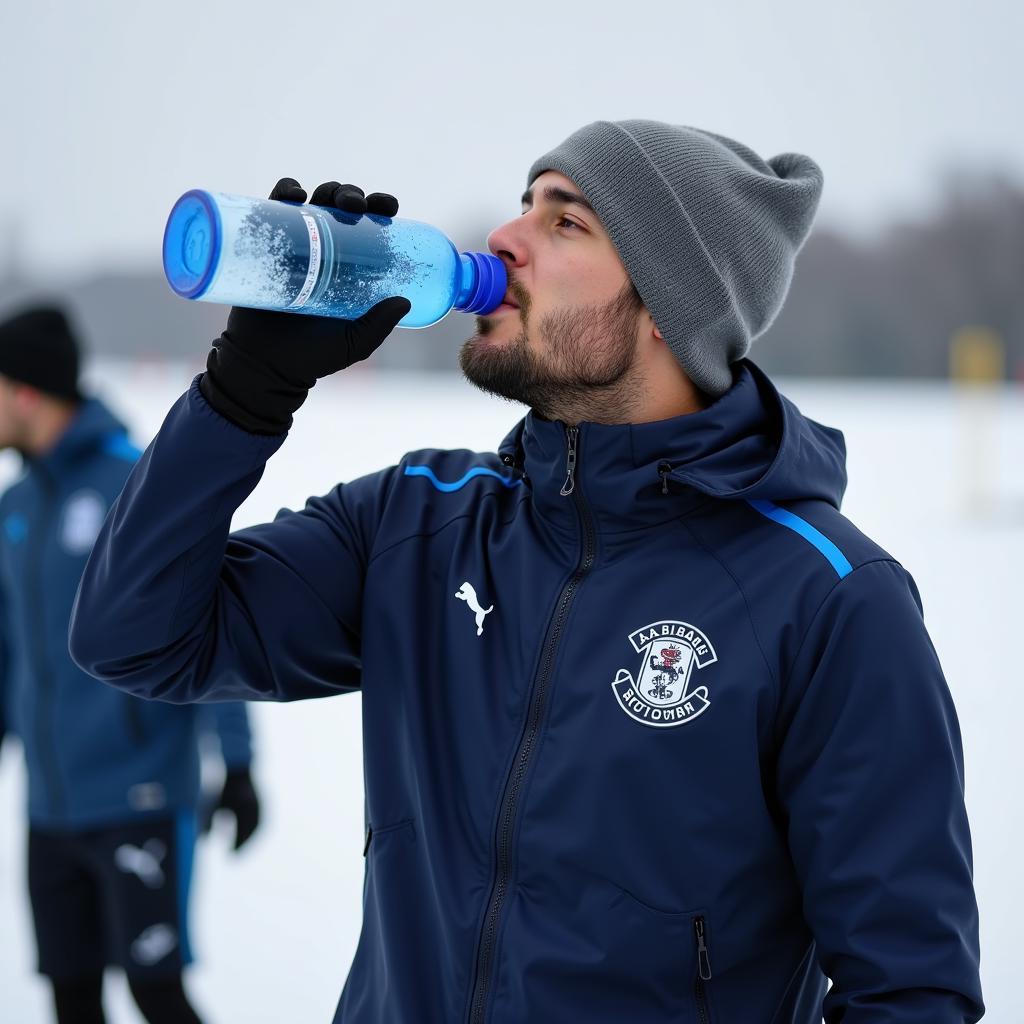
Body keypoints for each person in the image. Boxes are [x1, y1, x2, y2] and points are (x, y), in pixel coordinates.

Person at [70, 122, 983, 1023]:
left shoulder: (827, 597)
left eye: (565, 222)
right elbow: (137, 638)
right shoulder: (418, 523)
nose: (504, 240)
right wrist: (244, 390)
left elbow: (910, 990)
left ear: (671, 305)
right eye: (522, 206)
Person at [0, 305, 261, 1024]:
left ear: (25, 392)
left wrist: (235, 766)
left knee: (157, 995)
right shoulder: (15, 505)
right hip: (49, 807)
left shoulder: (131, 485)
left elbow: (203, 620)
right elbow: (6, 647)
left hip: (137, 796)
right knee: (71, 996)